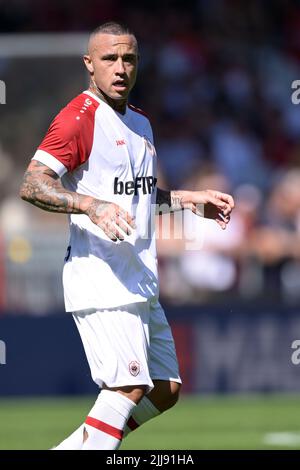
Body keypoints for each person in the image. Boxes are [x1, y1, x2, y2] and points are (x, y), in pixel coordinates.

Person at [19, 22, 234, 450]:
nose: (120, 68)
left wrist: (186, 199)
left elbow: (133, 194)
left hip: (139, 276)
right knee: (126, 389)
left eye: (128, 59)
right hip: (102, 276)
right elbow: (32, 183)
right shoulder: (78, 118)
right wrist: (89, 205)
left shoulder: (140, 123)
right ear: (89, 65)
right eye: (109, 59)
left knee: (165, 389)